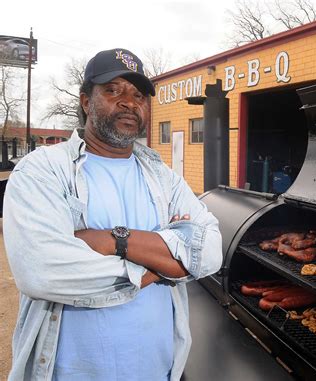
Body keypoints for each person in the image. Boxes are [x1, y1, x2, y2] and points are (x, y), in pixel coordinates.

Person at [3, 48, 223, 381]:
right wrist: (161, 266)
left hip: (158, 369)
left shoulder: (163, 177)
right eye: (112, 90)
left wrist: (116, 240)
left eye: (138, 95)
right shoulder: (42, 171)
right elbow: (42, 271)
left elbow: (208, 252)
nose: (129, 102)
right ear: (86, 102)